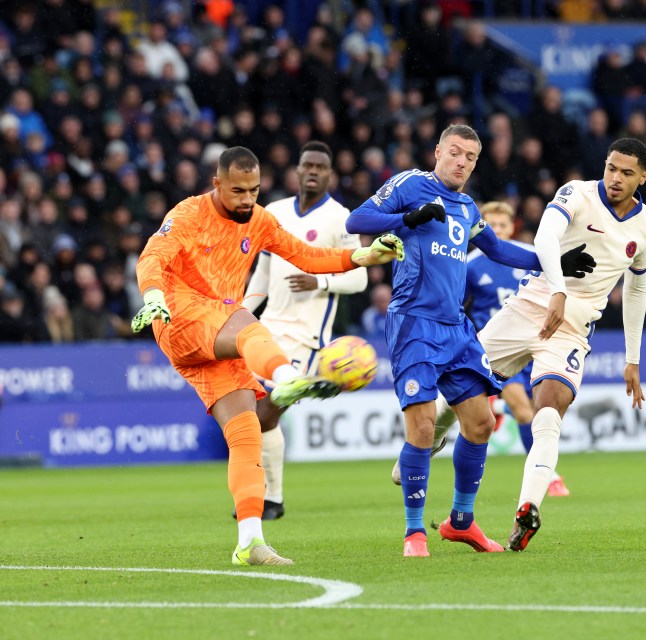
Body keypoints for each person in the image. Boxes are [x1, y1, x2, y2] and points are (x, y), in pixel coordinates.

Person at [132, 146, 403, 566]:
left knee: (246, 434)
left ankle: (250, 543)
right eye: (237, 191)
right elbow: (153, 257)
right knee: (246, 323)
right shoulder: (187, 214)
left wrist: (363, 256)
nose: (246, 199)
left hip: (214, 334)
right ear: (216, 183)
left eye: (254, 190)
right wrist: (152, 298)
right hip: (179, 316)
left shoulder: (258, 220)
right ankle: (287, 375)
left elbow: (307, 256)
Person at [345, 124, 594, 557]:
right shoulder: (410, 184)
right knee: (423, 427)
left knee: (480, 423)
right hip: (413, 323)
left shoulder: (465, 206)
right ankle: (413, 533)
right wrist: (407, 219)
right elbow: (357, 220)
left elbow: (498, 250)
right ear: (438, 151)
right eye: (455, 153)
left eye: (470, 158)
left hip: (457, 329)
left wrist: (554, 260)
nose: (461, 162)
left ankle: (460, 522)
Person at [461, 138, 646, 552]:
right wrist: (557, 289)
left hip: (571, 328)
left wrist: (632, 358)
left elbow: (636, 289)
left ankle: (527, 509)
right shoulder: (576, 193)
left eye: (626, 172)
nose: (615, 178)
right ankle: (420, 449)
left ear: (643, 177)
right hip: (529, 305)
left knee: (548, 412)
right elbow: (545, 238)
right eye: (610, 168)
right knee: (457, 391)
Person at [388, 201, 572, 497]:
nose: (497, 230)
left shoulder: (527, 257)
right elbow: (455, 305)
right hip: (495, 346)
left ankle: (433, 438)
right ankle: (547, 477)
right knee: (522, 410)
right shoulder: (470, 263)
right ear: (480, 228)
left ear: (511, 227)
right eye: (492, 225)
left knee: (542, 410)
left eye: (502, 225)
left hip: (535, 343)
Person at [238, 142, 367, 521]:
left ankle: (270, 498)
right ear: (296, 169)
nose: (312, 171)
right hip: (266, 331)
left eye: (320, 167)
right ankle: (271, 500)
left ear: (330, 175)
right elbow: (260, 277)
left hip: (309, 338)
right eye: (307, 164)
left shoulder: (340, 218)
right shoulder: (273, 213)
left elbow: (359, 277)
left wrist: (321, 283)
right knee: (253, 415)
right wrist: (241, 313)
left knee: (264, 413)